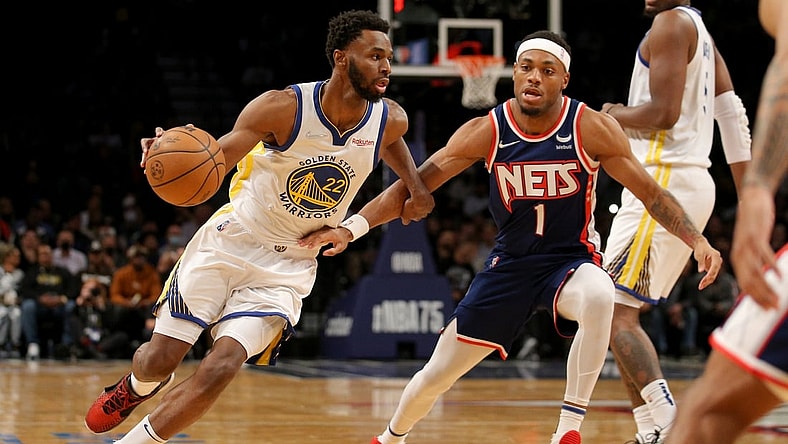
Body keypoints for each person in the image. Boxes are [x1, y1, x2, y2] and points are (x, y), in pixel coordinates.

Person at [299, 29, 722, 444]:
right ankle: (391, 438)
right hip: (510, 267)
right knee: (435, 375)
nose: (535, 77)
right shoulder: (488, 129)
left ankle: (568, 429)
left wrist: (697, 241)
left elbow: (651, 194)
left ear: (563, 80)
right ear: (515, 74)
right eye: (526, 68)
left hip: (568, 262)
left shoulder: (589, 127)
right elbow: (415, 185)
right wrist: (350, 227)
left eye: (547, 70)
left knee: (600, 294)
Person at [83, 9, 433, 443]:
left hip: (289, 267)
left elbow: (390, 139)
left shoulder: (389, 117)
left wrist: (414, 186)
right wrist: (173, 153)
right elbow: (219, 156)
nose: (386, 66)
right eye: (375, 56)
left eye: (389, 57)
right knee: (158, 361)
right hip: (232, 241)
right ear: (342, 58)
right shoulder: (283, 108)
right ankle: (136, 388)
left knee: (223, 364)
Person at [599, 1, 752, 441]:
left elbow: (662, 115)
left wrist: (612, 114)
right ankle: (649, 430)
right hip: (692, 182)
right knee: (616, 312)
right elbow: (732, 115)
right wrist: (748, 199)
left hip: (663, 178)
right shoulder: (701, 32)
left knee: (614, 313)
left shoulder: (669, 23)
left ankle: (668, 424)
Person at [666, 0, 788, 442]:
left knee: (704, 416)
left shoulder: (673, 28)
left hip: (682, 173)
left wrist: (756, 190)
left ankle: (649, 422)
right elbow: (731, 109)